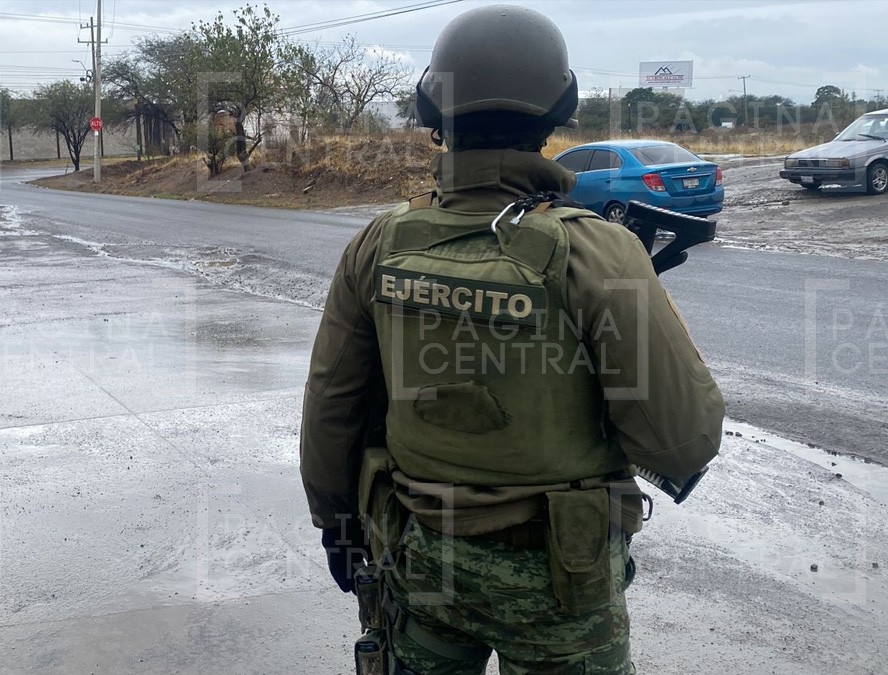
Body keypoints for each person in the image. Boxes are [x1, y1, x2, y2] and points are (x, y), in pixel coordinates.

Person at [298, 5, 725, 674]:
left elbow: (332, 402)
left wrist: (336, 524)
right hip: (563, 576)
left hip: (419, 555)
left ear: (431, 108)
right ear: (559, 107)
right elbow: (682, 439)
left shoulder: (377, 244)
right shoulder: (600, 250)